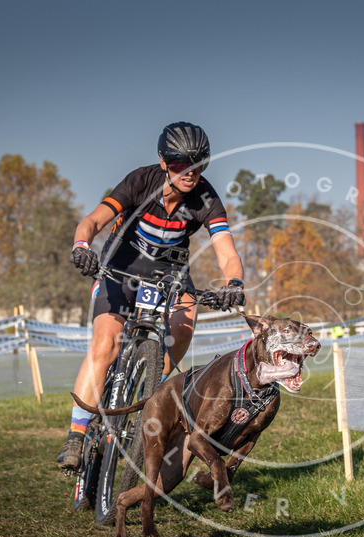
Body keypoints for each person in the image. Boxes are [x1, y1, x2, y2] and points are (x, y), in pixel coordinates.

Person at [57, 122, 246, 471]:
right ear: (163, 162)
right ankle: (78, 432)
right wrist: (81, 246)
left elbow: (226, 250)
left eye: (199, 163)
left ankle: (152, 381)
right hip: (121, 266)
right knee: (106, 343)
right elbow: (92, 221)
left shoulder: (206, 197)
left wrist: (233, 282)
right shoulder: (140, 181)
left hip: (170, 271)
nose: (189, 172)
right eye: (179, 163)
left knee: (185, 323)